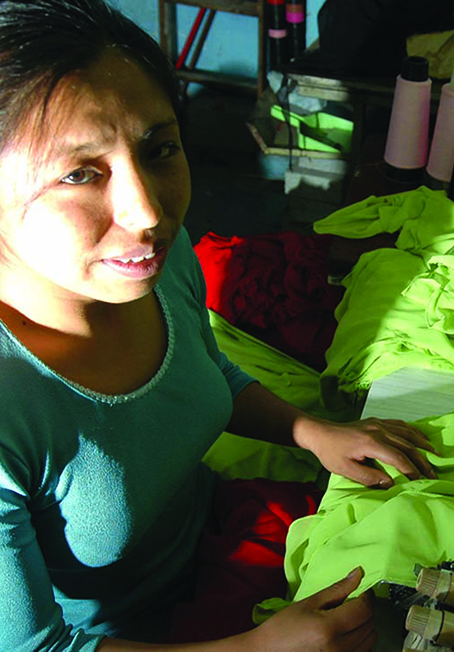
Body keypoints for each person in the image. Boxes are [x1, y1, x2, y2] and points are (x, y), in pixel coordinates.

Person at [0, 1, 437, 650]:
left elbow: (204, 369)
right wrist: (254, 649)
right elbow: (35, 646)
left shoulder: (156, 263)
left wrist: (312, 431)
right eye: (79, 173)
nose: (148, 212)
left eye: (160, 149)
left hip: (215, 539)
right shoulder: (12, 413)